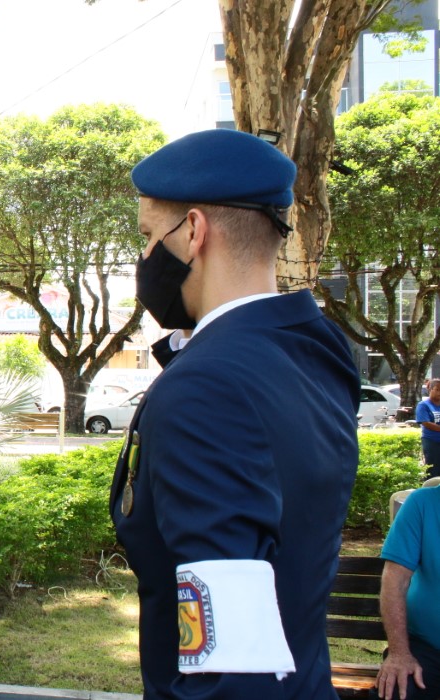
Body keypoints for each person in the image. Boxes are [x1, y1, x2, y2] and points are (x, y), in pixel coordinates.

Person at [108, 129, 361, 699]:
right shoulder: (318, 349)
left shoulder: (205, 386)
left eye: (149, 236)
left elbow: (231, 658)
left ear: (193, 231)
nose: (146, 255)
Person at [377, 482, 440, 700]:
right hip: (427, 648)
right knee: (397, 691)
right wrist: (399, 653)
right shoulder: (423, 503)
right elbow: (395, 580)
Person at [415, 379, 440, 480]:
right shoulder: (423, 405)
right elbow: (426, 423)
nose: (439, 393)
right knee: (433, 470)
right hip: (431, 441)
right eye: (437, 389)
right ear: (430, 389)